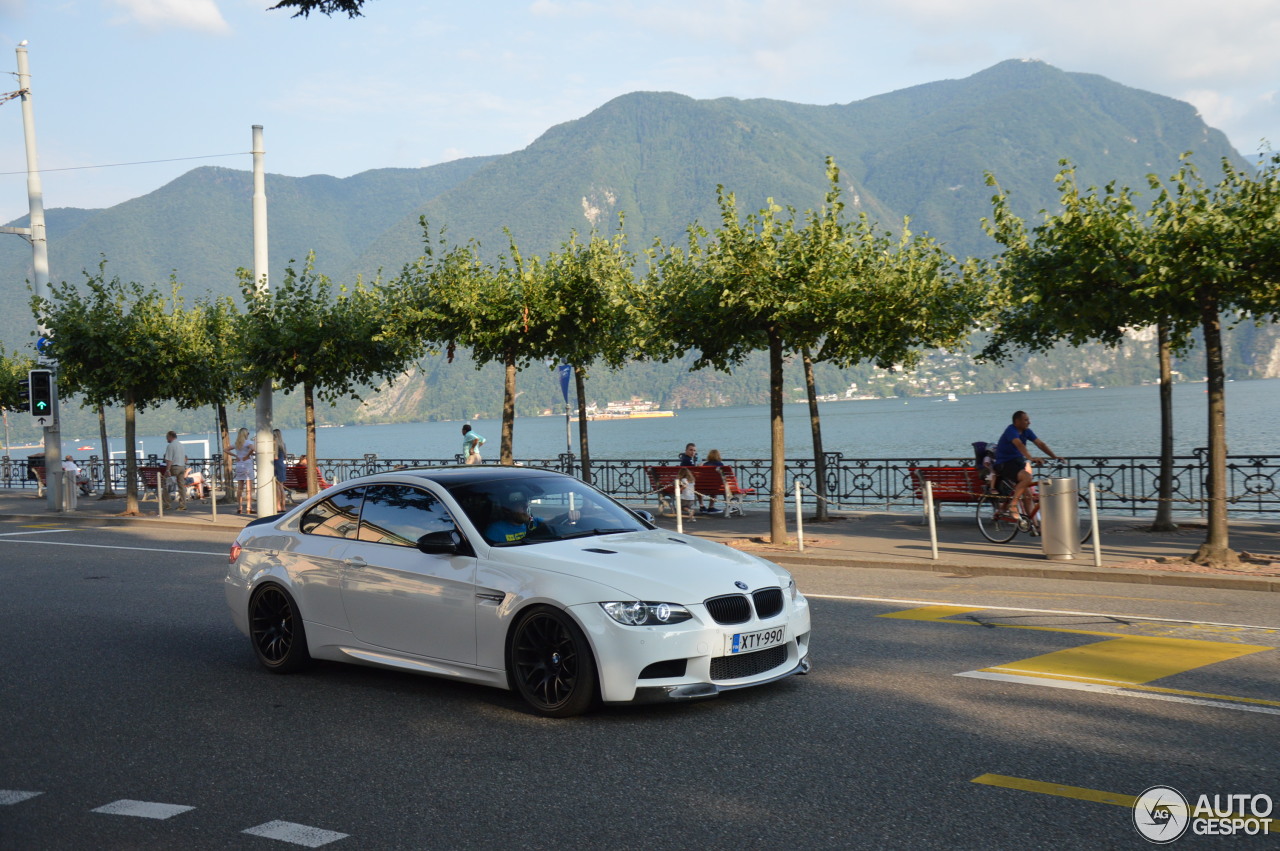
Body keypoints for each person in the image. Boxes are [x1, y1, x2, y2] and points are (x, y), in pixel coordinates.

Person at [993, 410, 1062, 527]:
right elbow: (1019, 444)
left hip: (1017, 463)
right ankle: (1013, 505)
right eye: (1026, 420)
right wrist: (1031, 457)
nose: (1029, 422)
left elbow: (1040, 444)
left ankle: (1034, 526)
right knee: (1027, 477)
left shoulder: (1027, 431)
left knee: (1028, 496)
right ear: (1017, 421)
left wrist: (1054, 456)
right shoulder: (1011, 430)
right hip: (1004, 464)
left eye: (1028, 420)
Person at [228, 427, 255, 515]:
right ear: (246, 434)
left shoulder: (237, 443)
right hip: (247, 464)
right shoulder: (248, 442)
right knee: (248, 488)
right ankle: (248, 507)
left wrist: (235, 456)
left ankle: (239, 506)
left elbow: (226, 449)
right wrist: (248, 455)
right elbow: (254, 448)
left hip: (239, 464)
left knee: (240, 488)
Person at [162, 431, 188, 511]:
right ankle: (182, 504)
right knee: (181, 486)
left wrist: (167, 470)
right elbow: (184, 458)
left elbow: (169, 460)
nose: (166, 438)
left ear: (170, 436)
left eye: (167, 437)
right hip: (182, 467)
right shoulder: (181, 445)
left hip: (174, 467)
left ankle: (167, 504)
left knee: (164, 483)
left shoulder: (170, 446)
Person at [700, 449, 726, 514]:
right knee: (716, 485)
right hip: (716, 487)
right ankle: (711, 506)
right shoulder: (720, 464)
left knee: (713, 484)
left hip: (704, 487)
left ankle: (705, 506)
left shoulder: (705, 465)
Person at [273, 428, 287, 512]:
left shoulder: (274, 444)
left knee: (277, 486)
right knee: (281, 486)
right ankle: (283, 505)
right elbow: (284, 456)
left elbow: (275, 457)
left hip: (275, 464)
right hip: (282, 464)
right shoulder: (283, 444)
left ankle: (278, 505)